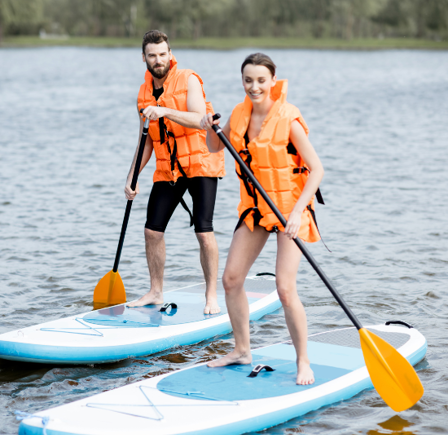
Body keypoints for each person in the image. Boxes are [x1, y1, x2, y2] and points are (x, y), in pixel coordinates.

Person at [200, 53, 324, 385]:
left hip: (289, 211)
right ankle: (242, 349)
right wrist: (209, 127)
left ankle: (303, 361)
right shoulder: (239, 114)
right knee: (231, 280)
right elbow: (214, 146)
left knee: (284, 288)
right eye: (248, 80)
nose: (254, 86)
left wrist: (298, 213)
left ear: (272, 81)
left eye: (260, 80)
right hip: (257, 211)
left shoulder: (289, 118)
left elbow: (317, 170)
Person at [125, 30, 225, 314]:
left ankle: (211, 297)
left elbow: (199, 120)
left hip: (201, 164)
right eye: (152, 55)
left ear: (170, 53)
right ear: (143, 57)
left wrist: (164, 110)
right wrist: (132, 177)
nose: (158, 60)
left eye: (163, 54)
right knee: (151, 231)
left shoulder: (188, 79)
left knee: (204, 232)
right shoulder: (143, 94)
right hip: (169, 169)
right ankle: (156, 291)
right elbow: (146, 139)